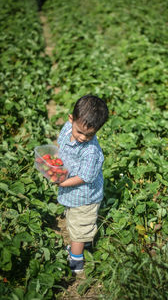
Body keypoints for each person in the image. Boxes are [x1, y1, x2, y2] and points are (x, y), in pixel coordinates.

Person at [57, 94, 109, 273]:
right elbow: (60, 146)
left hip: (85, 196)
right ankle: (80, 245)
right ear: (71, 120)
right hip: (72, 192)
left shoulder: (91, 151)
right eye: (79, 131)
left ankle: (76, 261)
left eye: (89, 135)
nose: (82, 137)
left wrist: (63, 183)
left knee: (79, 229)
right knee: (73, 220)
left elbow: (84, 177)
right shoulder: (66, 129)